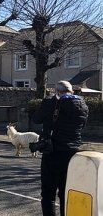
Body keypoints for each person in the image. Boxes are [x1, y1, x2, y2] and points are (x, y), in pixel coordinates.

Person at [32, 80, 88, 216]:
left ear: (57, 91)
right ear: (71, 91)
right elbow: (82, 127)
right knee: (65, 191)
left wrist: (48, 102)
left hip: (52, 152)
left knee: (48, 193)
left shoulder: (50, 103)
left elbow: (36, 119)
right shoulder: (83, 106)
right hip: (72, 153)